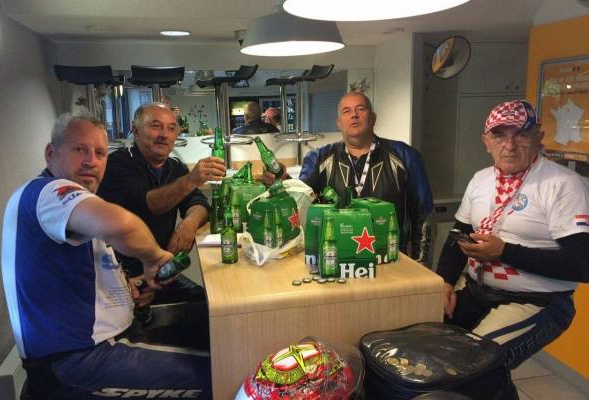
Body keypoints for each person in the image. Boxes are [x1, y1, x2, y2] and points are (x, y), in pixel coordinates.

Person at [1, 114, 212, 399]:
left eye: (100, 153)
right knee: (223, 369)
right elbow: (122, 225)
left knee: (211, 319)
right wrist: (153, 257)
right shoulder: (47, 191)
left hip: (117, 331)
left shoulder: (70, 208)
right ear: (51, 154)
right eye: (80, 150)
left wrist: (128, 287)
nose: (91, 161)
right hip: (79, 359)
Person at [436, 99, 589, 369]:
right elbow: (458, 234)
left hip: (536, 300)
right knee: (426, 344)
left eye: (521, 134)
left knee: (475, 366)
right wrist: (446, 283)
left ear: (538, 137)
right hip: (476, 289)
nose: (509, 145)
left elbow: (582, 265)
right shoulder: (480, 179)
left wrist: (504, 252)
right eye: (499, 135)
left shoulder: (564, 185)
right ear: (486, 141)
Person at [266, 92, 433, 263]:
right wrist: (282, 180)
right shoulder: (319, 158)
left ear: (373, 118)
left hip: (390, 260)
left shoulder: (405, 156)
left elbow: (423, 215)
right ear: (339, 122)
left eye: (360, 109)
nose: (354, 115)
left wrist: (421, 265)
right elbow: (300, 201)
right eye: (346, 111)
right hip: (335, 260)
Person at [98, 102, 225, 310]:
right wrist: (192, 179)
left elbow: (199, 203)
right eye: (156, 126)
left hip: (161, 272)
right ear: (136, 131)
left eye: (171, 128)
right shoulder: (116, 164)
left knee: (207, 305)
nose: (164, 135)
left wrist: (189, 224)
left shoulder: (175, 167)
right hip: (121, 278)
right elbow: (151, 204)